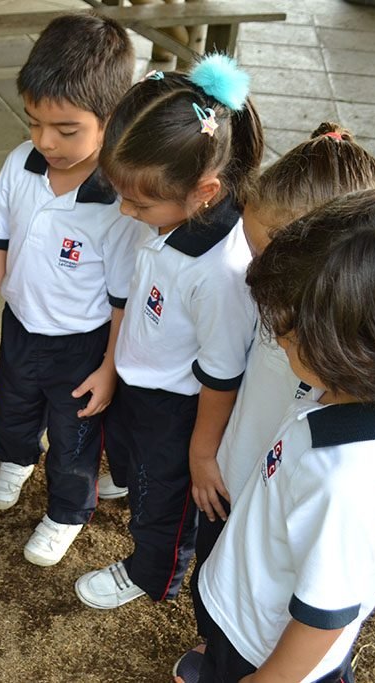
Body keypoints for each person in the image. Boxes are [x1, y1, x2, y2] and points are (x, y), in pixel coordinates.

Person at [191, 189, 375, 681]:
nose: (278, 339)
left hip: (264, 649)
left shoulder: (347, 481)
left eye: (288, 332)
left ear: (357, 351)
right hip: (251, 605)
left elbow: (322, 614)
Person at [171, 122, 375, 681]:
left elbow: (326, 598)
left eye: (267, 253)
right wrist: (207, 453)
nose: (254, 273)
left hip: (281, 511)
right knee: (219, 567)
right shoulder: (288, 302)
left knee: (272, 597)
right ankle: (216, 648)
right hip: (240, 475)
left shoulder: (350, 448)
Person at [0, 12, 141, 567]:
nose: (45, 141)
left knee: (74, 438)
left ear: (111, 120)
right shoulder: (20, 164)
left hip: (82, 344)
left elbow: (122, 299)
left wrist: (108, 366)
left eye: (65, 129)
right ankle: (15, 459)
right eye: (33, 122)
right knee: (11, 407)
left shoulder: (118, 204)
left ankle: (66, 513)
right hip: (23, 323)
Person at [74, 54, 263, 607]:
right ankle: (137, 481)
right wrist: (112, 367)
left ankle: (152, 573)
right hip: (142, 380)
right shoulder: (169, 217)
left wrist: (202, 456)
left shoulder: (221, 273)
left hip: (181, 410)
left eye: (139, 201)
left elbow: (222, 376)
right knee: (133, 462)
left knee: (165, 504)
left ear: (204, 191)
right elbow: (138, 301)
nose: (127, 212)